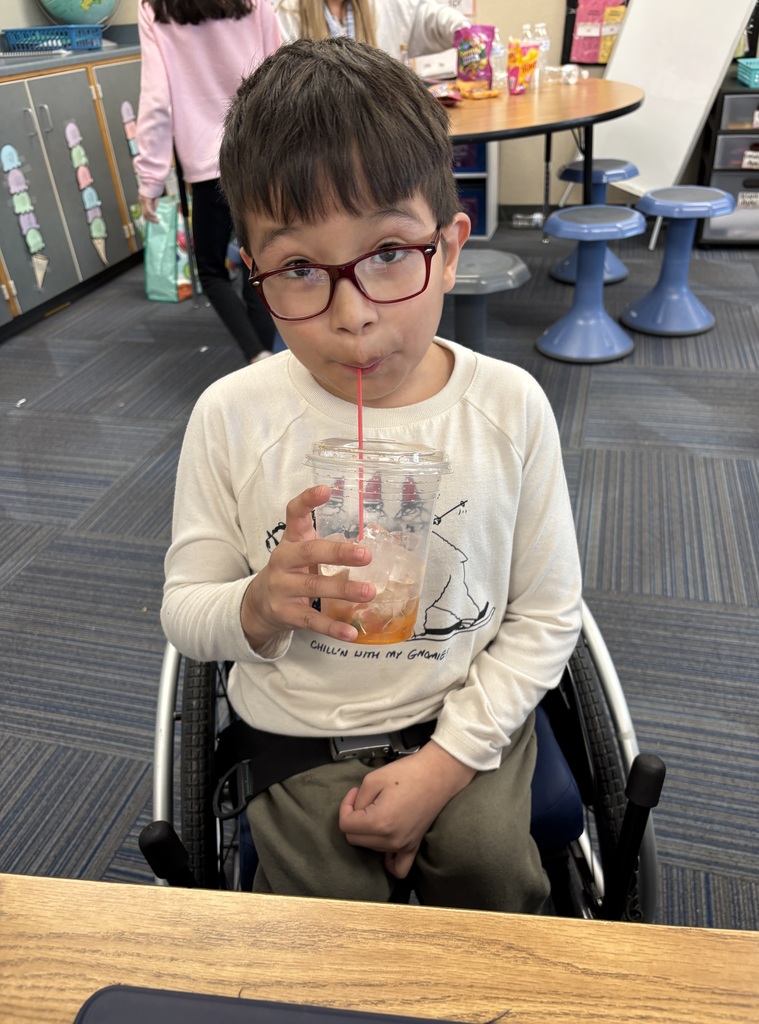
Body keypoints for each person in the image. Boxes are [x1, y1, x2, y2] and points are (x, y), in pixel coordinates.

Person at [162, 37, 582, 911]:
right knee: (323, 917)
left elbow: (546, 615)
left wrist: (445, 763)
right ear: (253, 276)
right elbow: (185, 611)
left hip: (464, 713)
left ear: (450, 249)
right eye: (300, 269)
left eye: (390, 252)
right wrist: (255, 604)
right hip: (299, 729)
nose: (352, 316)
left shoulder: (509, 409)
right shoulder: (231, 417)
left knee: (494, 874)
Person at [135, 0, 282, 364]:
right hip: (259, 154)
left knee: (212, 271)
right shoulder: (254, 3)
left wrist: (150, 178)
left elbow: (156, 101)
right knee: (259, 261)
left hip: (206, 165)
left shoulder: (155, 8)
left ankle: (257, 354)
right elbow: (281, 74)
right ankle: (264, 355)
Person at [271, 0, 469, 60]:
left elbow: (433, 18)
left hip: (377, 127)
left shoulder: (384, 6)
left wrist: (468, 35)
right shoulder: (287, 13)